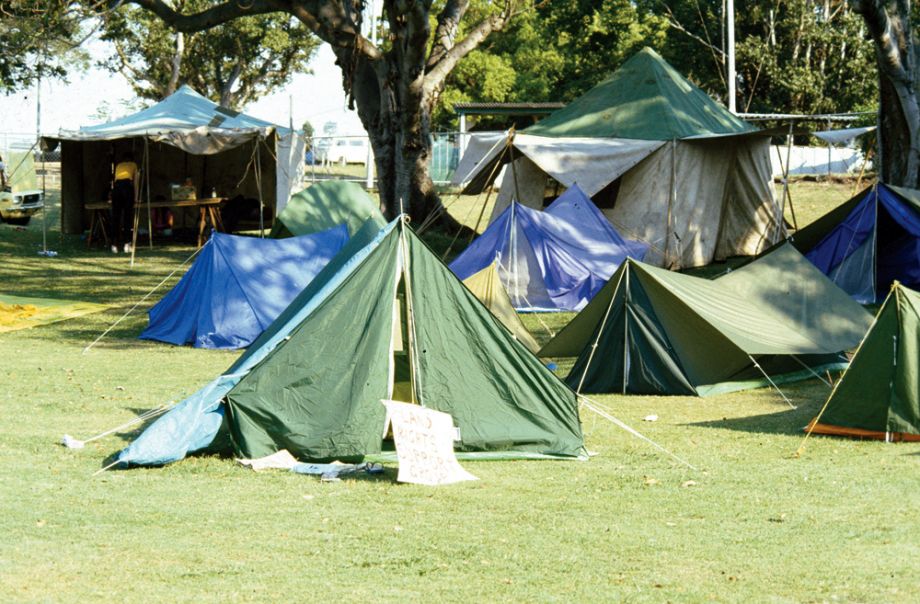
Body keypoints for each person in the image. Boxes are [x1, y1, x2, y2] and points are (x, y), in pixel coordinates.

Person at [110, 152, 138, 253]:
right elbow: (135, 183)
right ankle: (127, 244)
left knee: (115, 216)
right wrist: (136, 198)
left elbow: (115, 181)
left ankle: (114, 245)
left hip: (116, 188)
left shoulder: (118, 165)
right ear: (131, 160)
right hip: (127, 188)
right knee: (127, 216)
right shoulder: (134, 165)